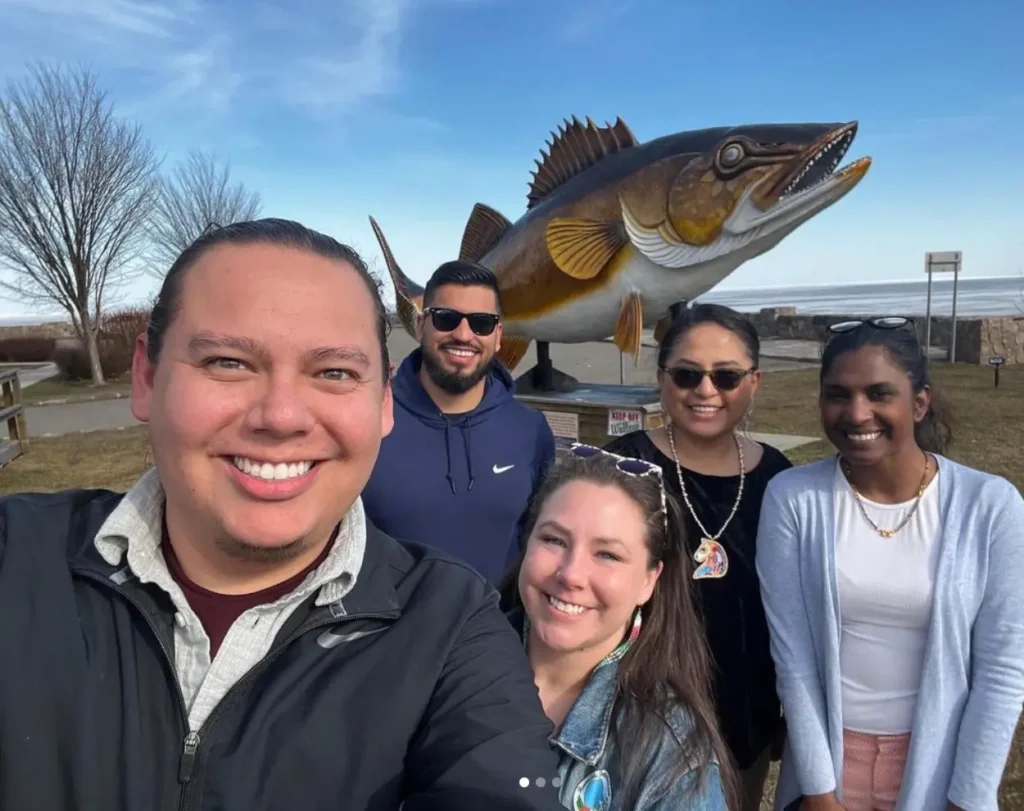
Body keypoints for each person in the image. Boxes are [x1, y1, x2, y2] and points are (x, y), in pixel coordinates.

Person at [0, 219, 565, 811]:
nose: (282, 415)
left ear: (381, 404)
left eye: (334, 373)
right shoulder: (18, 559)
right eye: (228, 362)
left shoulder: (455, 629)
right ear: (147, 376)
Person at [756, 317, 1024, 811]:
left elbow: (1002, 671)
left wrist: (969, 795)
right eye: (838, 394)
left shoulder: (990, 506)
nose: (858, 413)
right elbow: (792, 658)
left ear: (918, 402)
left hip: (937, 768)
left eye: (880, 394)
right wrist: (819, 791)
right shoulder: (794, 499)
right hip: (832, 767)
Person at [605, 302, 792, 811]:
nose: (706, 391)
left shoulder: (778, 477)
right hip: (642, 717)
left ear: (753, 382)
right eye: (687, 375)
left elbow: (791, 606)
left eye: (726, 376)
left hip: (744, 717)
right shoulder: (623, 466)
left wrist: (784, 710)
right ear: (662, 379)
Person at [501, 441, 737, 811]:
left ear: (649, 580)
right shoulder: (447, 667)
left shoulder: (670, 751)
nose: (571, 574)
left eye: (607, 554)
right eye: (553, 539)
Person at [361, 260, 555, 584]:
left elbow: (541, 539)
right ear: (421, 326)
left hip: (496, 628)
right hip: (389, 630)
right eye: (446, 319)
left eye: (481, 323)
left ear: (498, 336)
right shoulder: (370, 418)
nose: (463, 335)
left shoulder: (530, 431)